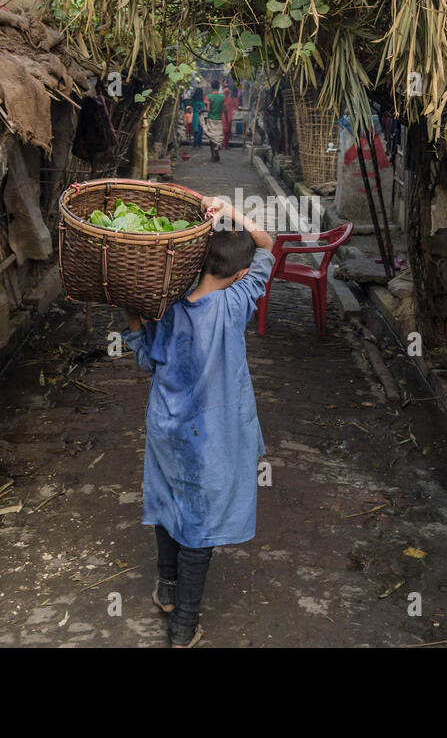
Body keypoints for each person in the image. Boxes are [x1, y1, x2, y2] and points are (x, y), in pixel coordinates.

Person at [122, 195, 276, 647]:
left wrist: (132, 319)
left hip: (167, 431)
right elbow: (269, 245)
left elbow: (148, 361)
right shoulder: (237, 303)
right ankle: (183, 626)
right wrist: (232, 211)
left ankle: (167, 591)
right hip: (213, 439)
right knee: (202, 524)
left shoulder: (164, 306)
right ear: (241, 277)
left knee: (170, 505)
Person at [204, 80, 225, 161]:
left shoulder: (208, 97)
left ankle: (212, 155)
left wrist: (202, 111)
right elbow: (224, 108)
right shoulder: (222, 97)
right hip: (219, 119)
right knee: (218, 137)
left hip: (211, 119)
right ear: (219, 87)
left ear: (212, 87)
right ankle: (217, 149)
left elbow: (208, 109)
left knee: (211, 137)